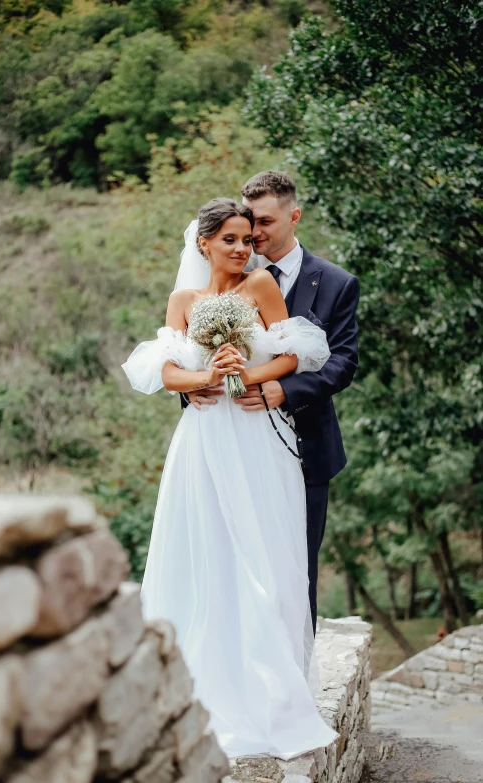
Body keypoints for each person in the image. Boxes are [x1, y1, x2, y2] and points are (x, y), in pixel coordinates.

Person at [122, 197, 337, 760]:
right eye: (232, 241)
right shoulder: (183, 300)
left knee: (264, 555)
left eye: (248, 239)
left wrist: (248, 372)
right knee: (203, 552)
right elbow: (163, 370)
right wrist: (201, 376)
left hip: (257, 437)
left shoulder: (262, 287)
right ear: (204, 243)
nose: (244, 249)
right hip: (203, 440)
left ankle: (272, 694)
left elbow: (298, 353)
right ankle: (200, 685)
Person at [185, 172, 360, 634]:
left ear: (293, 215)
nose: (253, 233)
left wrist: (288, 389)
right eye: (246, 222)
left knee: (294, 568)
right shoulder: (217, 281)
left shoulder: (337, 283)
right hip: (231, 443)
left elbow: (343, 362)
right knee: (228, 560)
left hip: (306, 446)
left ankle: (294, 684)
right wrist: (192, 386)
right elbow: (187, 351)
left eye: (262, 222)